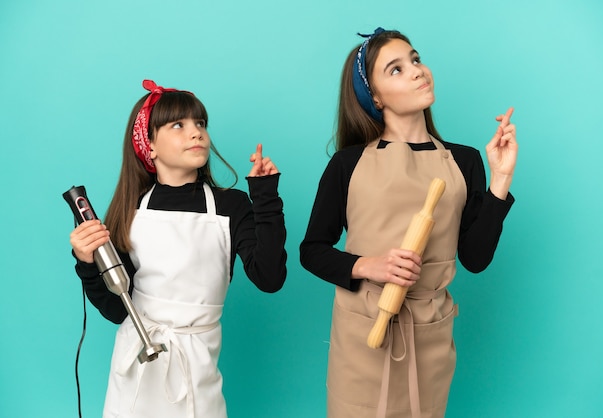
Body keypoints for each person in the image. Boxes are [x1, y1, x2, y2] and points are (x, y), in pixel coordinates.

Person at [300, 28, 517, 418]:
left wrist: (500, 180)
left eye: (415, 60)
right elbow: (311, 251)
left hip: (428, 333)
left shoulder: (464, 160)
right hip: (364, 332)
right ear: (375, 97)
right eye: (396, 69)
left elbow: (475, 257)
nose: (417, 71)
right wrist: (368, 265)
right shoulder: (348, 164)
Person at [69, 79, 287, 417]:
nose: (196, 132)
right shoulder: (131, 210)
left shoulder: (232, 205)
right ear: (149, 145)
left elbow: (269, 277)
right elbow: (117, 310)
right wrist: (87, 263)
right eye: (178, 125)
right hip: (137, 364)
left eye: (200, 123)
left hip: (197, 363)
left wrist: (266, 197)